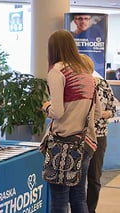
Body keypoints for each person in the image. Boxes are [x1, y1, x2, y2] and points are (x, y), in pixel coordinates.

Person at [41, 30, 101, 213]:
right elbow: (97, 113)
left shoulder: (58, 71)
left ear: (53, 49)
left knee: (59, 200)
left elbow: (57, 111)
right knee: (78, 198)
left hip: (63, 144)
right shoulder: (86, 73)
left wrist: (46, 108)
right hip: (86, 143)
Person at [80, 54, 117, 213]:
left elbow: (113, 108)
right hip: (78, 136)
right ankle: (79, 208)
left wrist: (105, 114)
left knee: (94, 177)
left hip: (99, 135)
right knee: (77, 178)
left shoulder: (102, 84)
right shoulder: (75, 86)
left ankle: (90, 209)